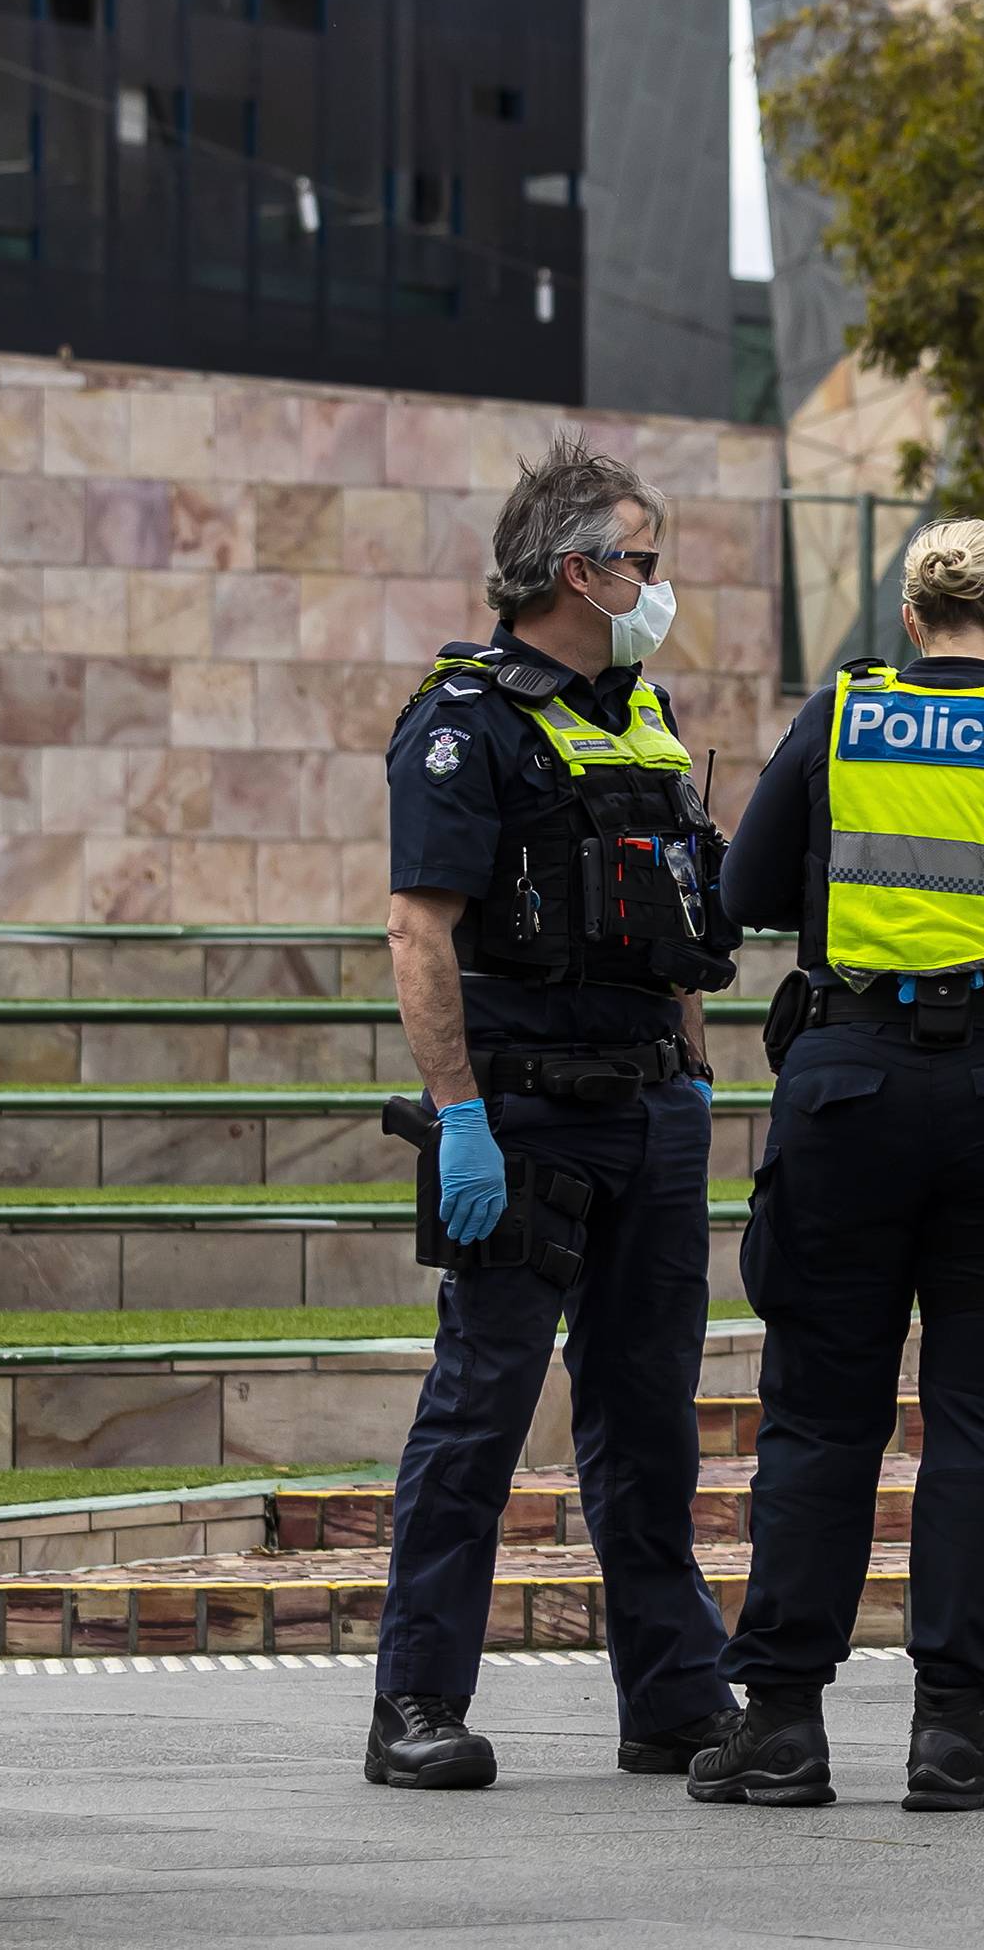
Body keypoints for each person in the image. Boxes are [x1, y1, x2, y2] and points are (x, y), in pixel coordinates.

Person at [693, 518, 984, 1812]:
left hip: (849, 1094)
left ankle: (781, 1722)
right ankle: (952, 1731)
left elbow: (741, 890)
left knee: (823, 1415)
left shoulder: (840, 715)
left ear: (911, 617)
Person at [368, 438, 742, 1792]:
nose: (659, 582)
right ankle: (415, 1698)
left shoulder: (641, 715)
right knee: (480, 1410)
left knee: (648, 1425)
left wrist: (694, 1081)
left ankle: (678, 1701)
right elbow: (420, 928)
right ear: (578, 569)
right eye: (643, 557)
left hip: (648, 1109)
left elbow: (681, 932)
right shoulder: (466, 721)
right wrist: (459, 1116)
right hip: (522, 1122)